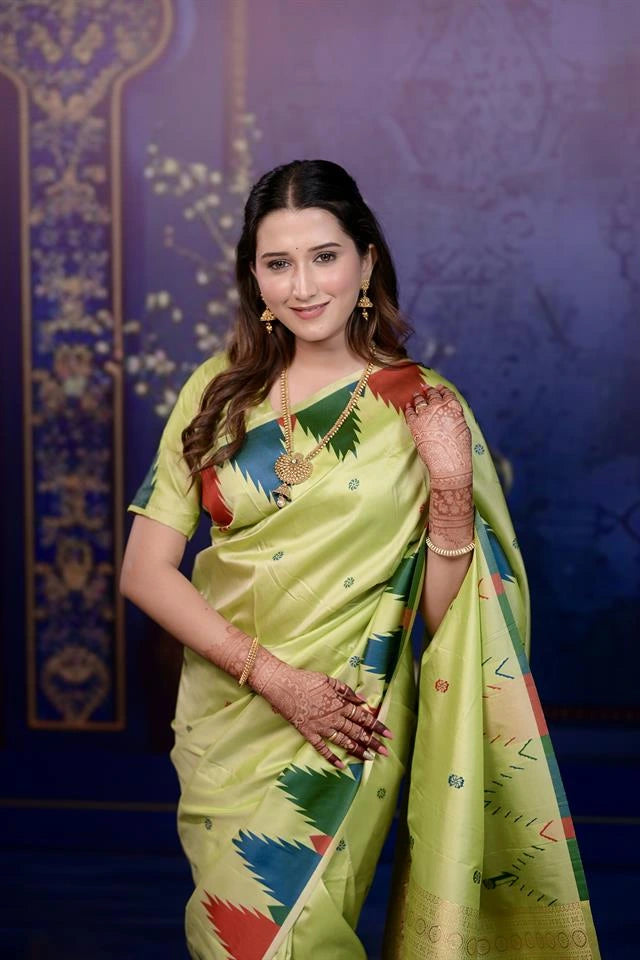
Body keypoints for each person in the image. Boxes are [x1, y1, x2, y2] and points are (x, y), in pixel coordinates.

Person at [120, 159, 601, 960]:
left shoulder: (422, 404)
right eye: (279, 263)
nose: (304, 285)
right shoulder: (215, 393)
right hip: (228, 721)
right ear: (254, 278)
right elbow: (144, 570)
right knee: (230, 934)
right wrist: (275, 679)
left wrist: (450, 493)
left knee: (291, 936)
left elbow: (456, 624)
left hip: (349, 721)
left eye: (325, 256)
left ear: (367, 261)